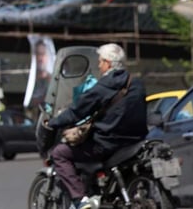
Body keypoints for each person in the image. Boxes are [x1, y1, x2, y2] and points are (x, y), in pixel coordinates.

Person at [43, 44, 147, 209]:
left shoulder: (103, 86)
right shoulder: (137, 83)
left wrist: (53, 122)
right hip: (135, 141)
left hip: (107, 145)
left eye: (100, 62)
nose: (98, 66)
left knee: (59, 153)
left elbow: (76, 112)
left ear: (107, 63)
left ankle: (80, 200)